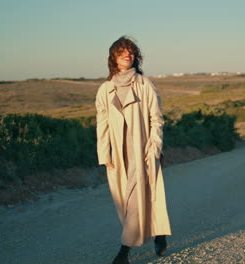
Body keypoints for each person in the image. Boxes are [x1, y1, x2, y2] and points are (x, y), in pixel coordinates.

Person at [95, 36, 171, 264]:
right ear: (114, 58)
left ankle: (124, 251)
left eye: (131, 51)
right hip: (118, 155)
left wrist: (154, 148)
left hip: (143, 151)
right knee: (126, 203)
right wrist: (104, 154)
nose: (128, 55)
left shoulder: (145, 84)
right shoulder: (104, 90)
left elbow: (156, 120)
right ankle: (159, 233)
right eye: (122, 52)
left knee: (137, 200)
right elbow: (102, 125)